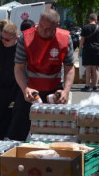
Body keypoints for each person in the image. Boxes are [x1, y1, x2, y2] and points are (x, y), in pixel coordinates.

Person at [8, 9, 75, 141]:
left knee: (54, 133)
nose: (42, 30)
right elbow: (19, 68)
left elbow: (69, 68)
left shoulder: (65, 38)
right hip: (30, 90)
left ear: (57, 26)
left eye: (48, 28)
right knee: (17, 131)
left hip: (54, 90)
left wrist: (66, 91)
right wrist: (24, 88)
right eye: (41, 26)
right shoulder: (26, 38)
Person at [80, 13, 99, 91]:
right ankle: (95, 86)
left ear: (89, 19)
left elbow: (82, 39)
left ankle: (87, 85)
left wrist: (80, 50)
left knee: (88, 68)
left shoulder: (85, 27)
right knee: (95, 68)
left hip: (87, 49)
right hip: (96, 49)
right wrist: (97, 45)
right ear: (96, 19)